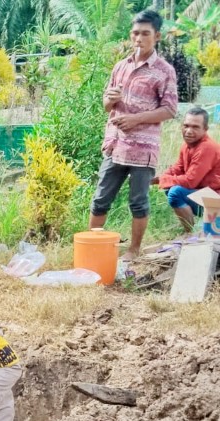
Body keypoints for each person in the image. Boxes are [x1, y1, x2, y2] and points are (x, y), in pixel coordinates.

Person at [89, 9, 177, 260]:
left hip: (143, 148)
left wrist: (135, 119)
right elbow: (107, 104)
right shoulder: (121, 66)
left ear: (157, 36)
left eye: (145, 34)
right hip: (116, 144)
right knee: (100, 199)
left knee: (138, 202)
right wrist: (109, 100)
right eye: (135, 33)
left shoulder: (164, 70)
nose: (139, 39)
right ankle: (94, 248)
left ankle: (134, 250)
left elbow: (170, 109)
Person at [152, 107, 220, 233]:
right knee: (171, 188)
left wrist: (161, 179)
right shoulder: (188, 146)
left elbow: (190, 182)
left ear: (205, 129)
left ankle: (191, 233)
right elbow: (177, 168)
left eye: (195, 127)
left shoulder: (206, 148)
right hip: (209, 196)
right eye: (186, 126)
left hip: (216, 198)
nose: (188, 131)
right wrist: (156, 178)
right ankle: (201, 228)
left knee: (176, 192)